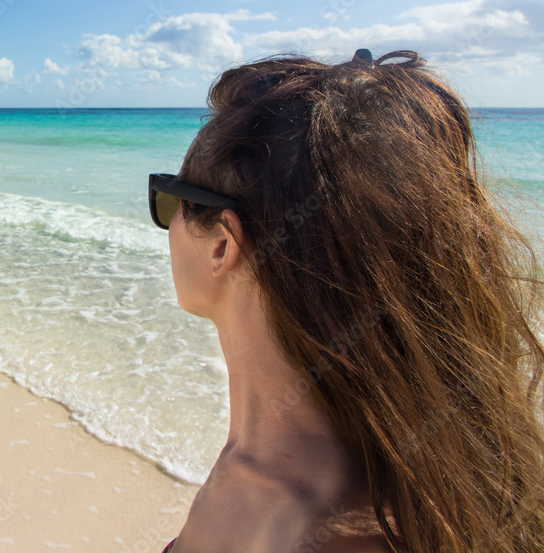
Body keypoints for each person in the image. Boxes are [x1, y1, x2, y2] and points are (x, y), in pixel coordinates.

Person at [148, 50, 544, 552]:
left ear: (224, 245)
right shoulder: (392, 468)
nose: (167, 223)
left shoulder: (305, 521)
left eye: (168, 199)